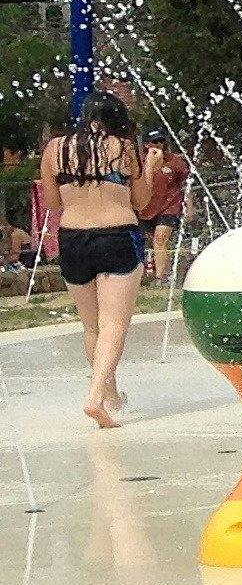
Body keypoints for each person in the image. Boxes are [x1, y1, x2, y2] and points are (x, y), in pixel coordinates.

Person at [39, 92, 151, 427]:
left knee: (92, 326)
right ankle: (95, 397)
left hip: (73, 238)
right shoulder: (124, 148)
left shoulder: (54, 149)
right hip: (117, 235)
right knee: (114, 324)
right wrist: (152, 169)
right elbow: (142, 202)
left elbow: (53, 204)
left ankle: (111, 397)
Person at [138, 129, 191, 281]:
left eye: (161, 141)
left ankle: (160, 278)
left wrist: (189, 206)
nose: (159, 144)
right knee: (147, 241)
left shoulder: (174, 161)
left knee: (160, 238)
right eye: (155, 142)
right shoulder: (140, 162)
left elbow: (186, 184)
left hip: (169, 206)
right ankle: (149, 274)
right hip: (146, 208)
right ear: (147, 144)